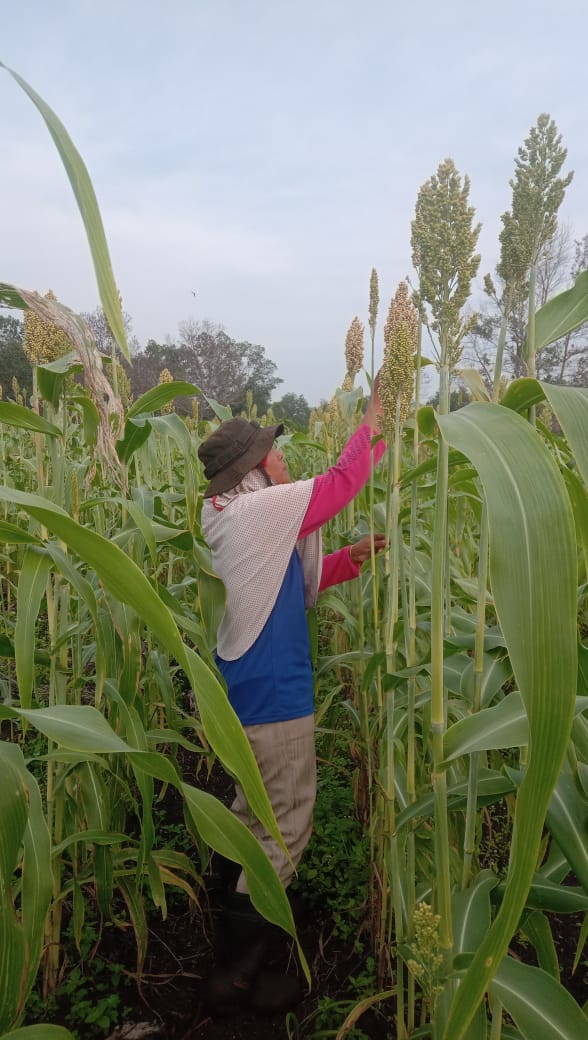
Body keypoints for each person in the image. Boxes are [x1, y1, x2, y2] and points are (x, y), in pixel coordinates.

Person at [197, 376, 386, 1012]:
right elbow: (341, 484)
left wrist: (346, 559)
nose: (283, 457)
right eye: (274, 450)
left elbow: (279, 587)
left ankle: (240, 936)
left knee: (257, 821)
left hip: (245, 696)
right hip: (275, 697)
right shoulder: (256, 510)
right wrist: (373, 423)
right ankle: (239, 977)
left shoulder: (228, 514)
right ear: (253, 467)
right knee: (288, 828)